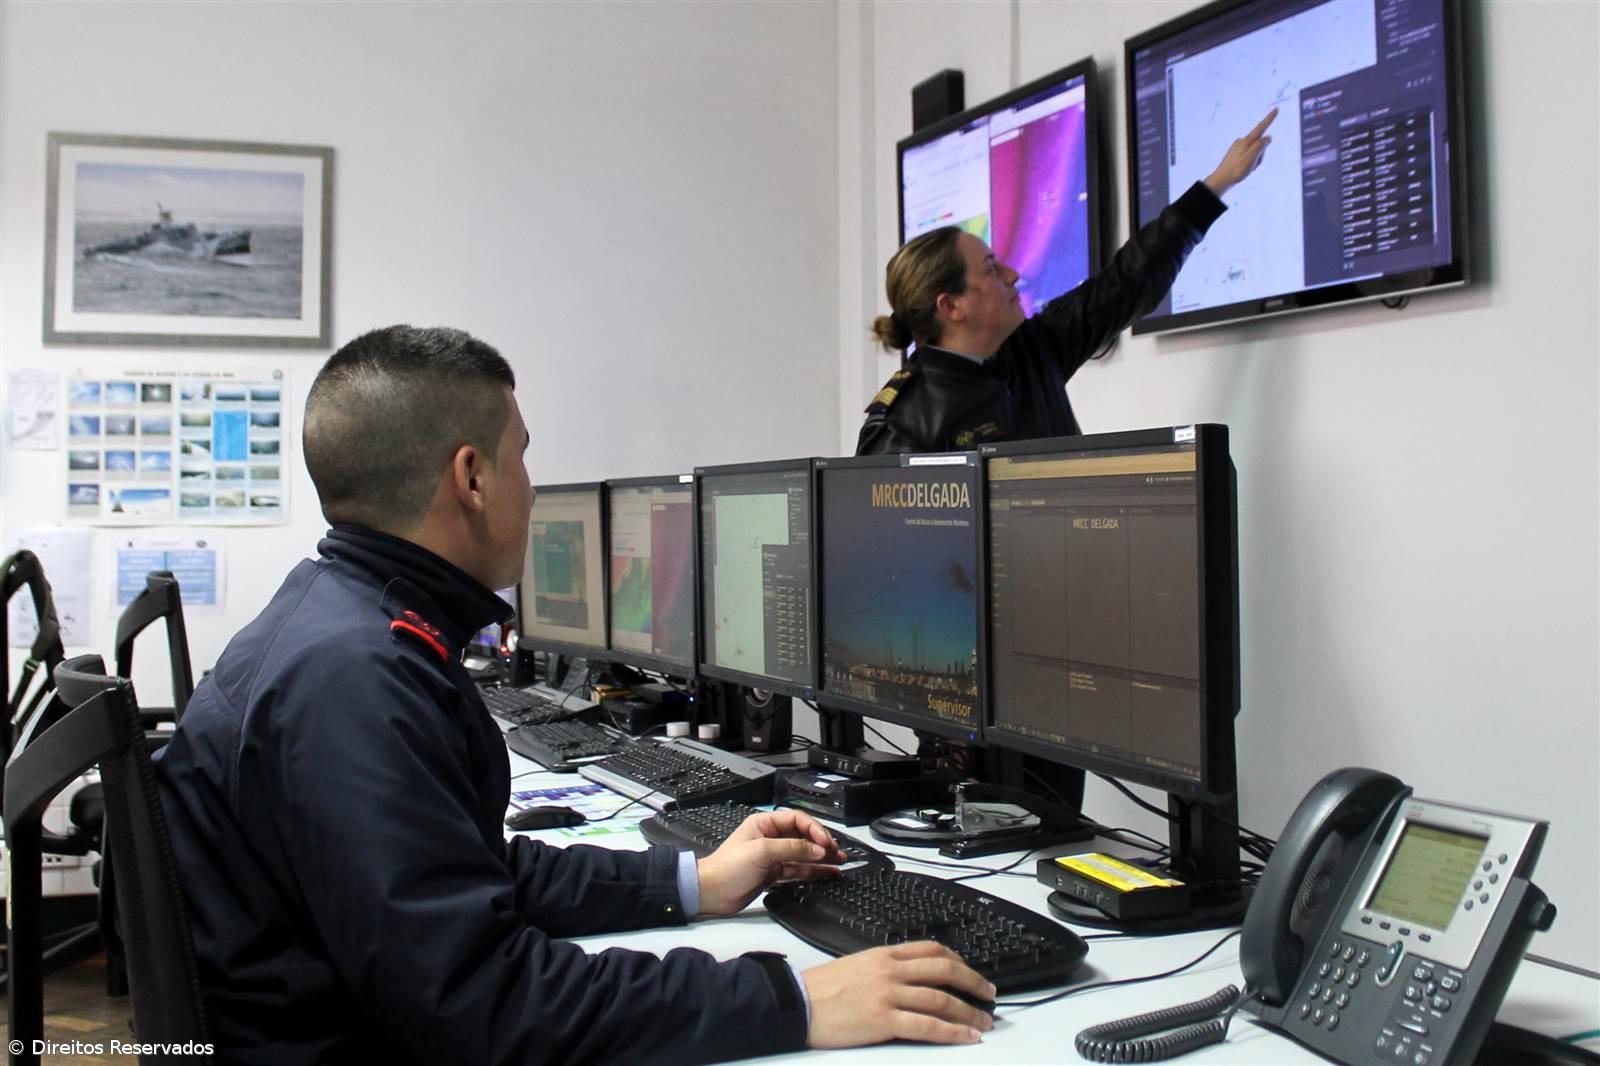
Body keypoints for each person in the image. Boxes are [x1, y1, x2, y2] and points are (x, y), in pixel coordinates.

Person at [153, 325, 996, 1064]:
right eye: (522, 456)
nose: (531, 487)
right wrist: (797, 1000)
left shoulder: (338, 622)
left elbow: (464, 875)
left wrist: (696, 880)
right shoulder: (356, 681)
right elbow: (485, 1005)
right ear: (471, 477)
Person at [857, 108, 1278, 456]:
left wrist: (1216, 185)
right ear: (951, 306)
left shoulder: (1034, 350)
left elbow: (1128, 280)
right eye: (991, 268)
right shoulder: (902, 424)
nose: (1013, 275)